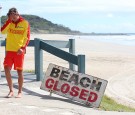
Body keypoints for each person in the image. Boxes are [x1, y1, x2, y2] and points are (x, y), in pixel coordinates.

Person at [1, 7, 30, 98]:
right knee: (6, 69)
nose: (12, 17)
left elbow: (27, 37)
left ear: (17, 14)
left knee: (19, 72)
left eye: (13, 15)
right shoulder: (9, 22)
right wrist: (9, 21)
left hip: (19, 51)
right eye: (10, 16)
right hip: (9, 50)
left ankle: (20, 92)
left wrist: (23, 48)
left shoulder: (25, 23)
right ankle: (11, 91)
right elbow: (2, 31)